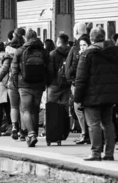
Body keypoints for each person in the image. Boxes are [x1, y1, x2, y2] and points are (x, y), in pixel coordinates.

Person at [73, 28, 118, 161]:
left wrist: (78, 98)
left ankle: (95, 152)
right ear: (103, 37)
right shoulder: (114, 53)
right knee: (108, 123)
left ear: (91, 39)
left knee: (94, 125)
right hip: (109, 95)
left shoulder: (87, 54)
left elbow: (81, 79)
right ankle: (109, 153)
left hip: (92, 96)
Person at [11, 29, 51, 147]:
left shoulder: (19, 51)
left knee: (26, 110)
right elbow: (49, 69)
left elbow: (14, 70)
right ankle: (34, 134)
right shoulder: (43, 51)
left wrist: (16, 83)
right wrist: (46, 83)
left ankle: (31, 134)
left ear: (26, 38)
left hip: (24, 85)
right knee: (35, 109)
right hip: (38, 85)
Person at [0, 32, 25, 140]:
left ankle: (14, 127)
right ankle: (22, 130)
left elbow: (4, 68)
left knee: (13, 106)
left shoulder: (8, 54)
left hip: (12, 82)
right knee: (23, 108)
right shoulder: (24, 51)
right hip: (23, 82)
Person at [66, 22, 91, 145]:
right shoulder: (84, 45)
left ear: (76, 32)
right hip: (80, 83)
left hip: (78, 83)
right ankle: (87, 134)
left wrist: (69, 74)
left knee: (79, 108)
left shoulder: (78, 48)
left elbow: (75, 66)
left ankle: (85, 134)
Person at [47, 33, 71, 110]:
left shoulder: (53, 53)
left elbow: (50, 71)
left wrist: (49, 83)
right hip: (66, 83)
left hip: (54, 84)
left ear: (58, 42)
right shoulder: (71, 52)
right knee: (64, 107)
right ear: (67, 42)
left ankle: (51, 122)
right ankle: (64, 121)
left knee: (51, 107)